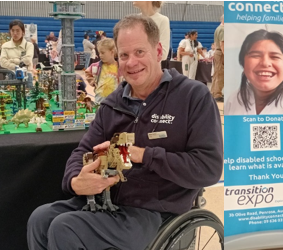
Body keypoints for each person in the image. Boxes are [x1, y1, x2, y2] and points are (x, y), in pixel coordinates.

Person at [27, 15, 222, 250]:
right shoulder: (112, 104)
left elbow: (209, 168)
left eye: (140, 52)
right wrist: (76, 181)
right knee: (40, 219)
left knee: (66, 228)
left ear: (158, 50)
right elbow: (82, 151)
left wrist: (142, 155)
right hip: (108, 203)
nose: (131, 63)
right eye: (124, 55)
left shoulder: (193, 97)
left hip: (154, 210)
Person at [224, 29, 283, 115]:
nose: (265, 63)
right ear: (242, 63)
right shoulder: (234, 99)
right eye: (255, 55)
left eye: (275, 57)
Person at [84, 38, 120, 105]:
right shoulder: (96, 66)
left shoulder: (120, 67)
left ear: (112, 52)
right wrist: (92, 81)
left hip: (116, 100)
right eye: (99, 52)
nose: (100, 55)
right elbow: (87, 72)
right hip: (100, 99)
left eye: (103, 53)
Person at [211, 15, 224, 102]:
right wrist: (225, 54)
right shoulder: (223, 29)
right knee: (220, 74)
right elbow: (222, 43)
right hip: (221, 52)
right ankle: (217, 94)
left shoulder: (218, 28)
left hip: (217, 52)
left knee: (216, 74)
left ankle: (214, 92)